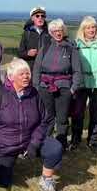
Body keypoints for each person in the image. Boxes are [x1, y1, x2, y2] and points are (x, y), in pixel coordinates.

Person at [0, 58, 62, 191]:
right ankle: (2, 165)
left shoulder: (34, 94)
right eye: (22, 74)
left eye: (27, 73)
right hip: (6, 145)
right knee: (3, 183)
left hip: (28, 140)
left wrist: (33, 144)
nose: (26, 76)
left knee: (55, 148)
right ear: (11, 77)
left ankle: (46, 180)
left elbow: (44, 121)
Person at [32, 19, 82, 151]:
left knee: (62, 119)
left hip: (64, 87)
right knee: (47, 118)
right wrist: (36, 86)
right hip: (44, 87)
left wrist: (73, 89)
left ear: (63, 31)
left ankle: (61, 145)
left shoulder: (71, 48)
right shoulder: (46, 47)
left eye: (60, 30)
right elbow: (37, 67)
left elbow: (77, 70)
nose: (58, 33)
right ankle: (43, 145)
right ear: (51, 32)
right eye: (55, 31)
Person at [70, 16, 97, 150]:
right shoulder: (76, 45)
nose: (91, 30)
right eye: (88, 27)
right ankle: (75, 140)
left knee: (96, 113)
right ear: (83, 30)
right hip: (81, 83)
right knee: (78, 113)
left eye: (93, 27)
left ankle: (93, 140)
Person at [18, 6, 51, 72]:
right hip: (31, 69)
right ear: (32, 18)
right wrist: (28, 53)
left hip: (46, 70)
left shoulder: (49, 33)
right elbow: (20, 53)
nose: (40, 18)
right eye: (37, 16)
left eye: (42, 16)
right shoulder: (27, 33)